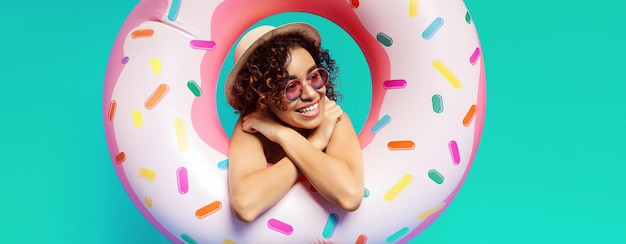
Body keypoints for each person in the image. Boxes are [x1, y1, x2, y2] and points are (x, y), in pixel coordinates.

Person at [224, 23, 364, 223]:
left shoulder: (333, 117)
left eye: (314, 77)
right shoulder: (253, 125)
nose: (310, 94)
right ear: (263, 97)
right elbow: (246, 205)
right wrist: (315, 142)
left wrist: (283, 135)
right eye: (291, 87)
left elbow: (349, 196)